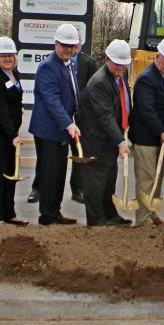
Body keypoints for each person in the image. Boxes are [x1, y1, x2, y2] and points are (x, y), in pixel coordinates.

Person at [27, 24, 81, 225]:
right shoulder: (49, 66)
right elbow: (51, 100)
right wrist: (68, 123)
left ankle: (54, 211)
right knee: (49, 175)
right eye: (64, 45)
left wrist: (75, 118)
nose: (68, 49)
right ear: (56, 44)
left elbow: (72, 95)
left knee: (59, 174)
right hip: (48, 131)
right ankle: (46, 217)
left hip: (61, 130)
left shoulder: (69, 64)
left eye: (71, 46)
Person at [77, 39, 133, 226]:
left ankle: (110, 215)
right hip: (96, 140)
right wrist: (120, 141)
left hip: (109, 139)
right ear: (107, 59)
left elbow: (123, 104)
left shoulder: (119, 75)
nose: (121, 68)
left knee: (109, 179)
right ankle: (96, 220)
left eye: (124, 65)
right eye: (117, 64)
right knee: (95, 182)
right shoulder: (100, 82)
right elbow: (105, 116)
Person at [130, 36, 164, 227]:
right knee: (146, 180)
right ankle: (142, 220)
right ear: (158, 56)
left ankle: (152, 214)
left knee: (157, 178)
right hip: (146, 138)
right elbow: (146, 109)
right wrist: (161, 131)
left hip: (159, 138)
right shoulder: (146, 79)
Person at [0, 36, 29, 225]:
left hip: (10, 135)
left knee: (11, 173)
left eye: (10, 55)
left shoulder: (14, 75)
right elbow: (0, 111)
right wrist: (12, 135)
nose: (7, 59)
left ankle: (10, 213)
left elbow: (15, 101)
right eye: (3, 56)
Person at [69, 40, 100, 204]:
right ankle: (37, 188)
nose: (74, 46)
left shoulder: (89, 63)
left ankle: (77, 189)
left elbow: (91, 89)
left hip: (81, 117)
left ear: (81, 44)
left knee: (79, 153)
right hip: (62, 117)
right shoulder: (60, 62)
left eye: (77, 43)